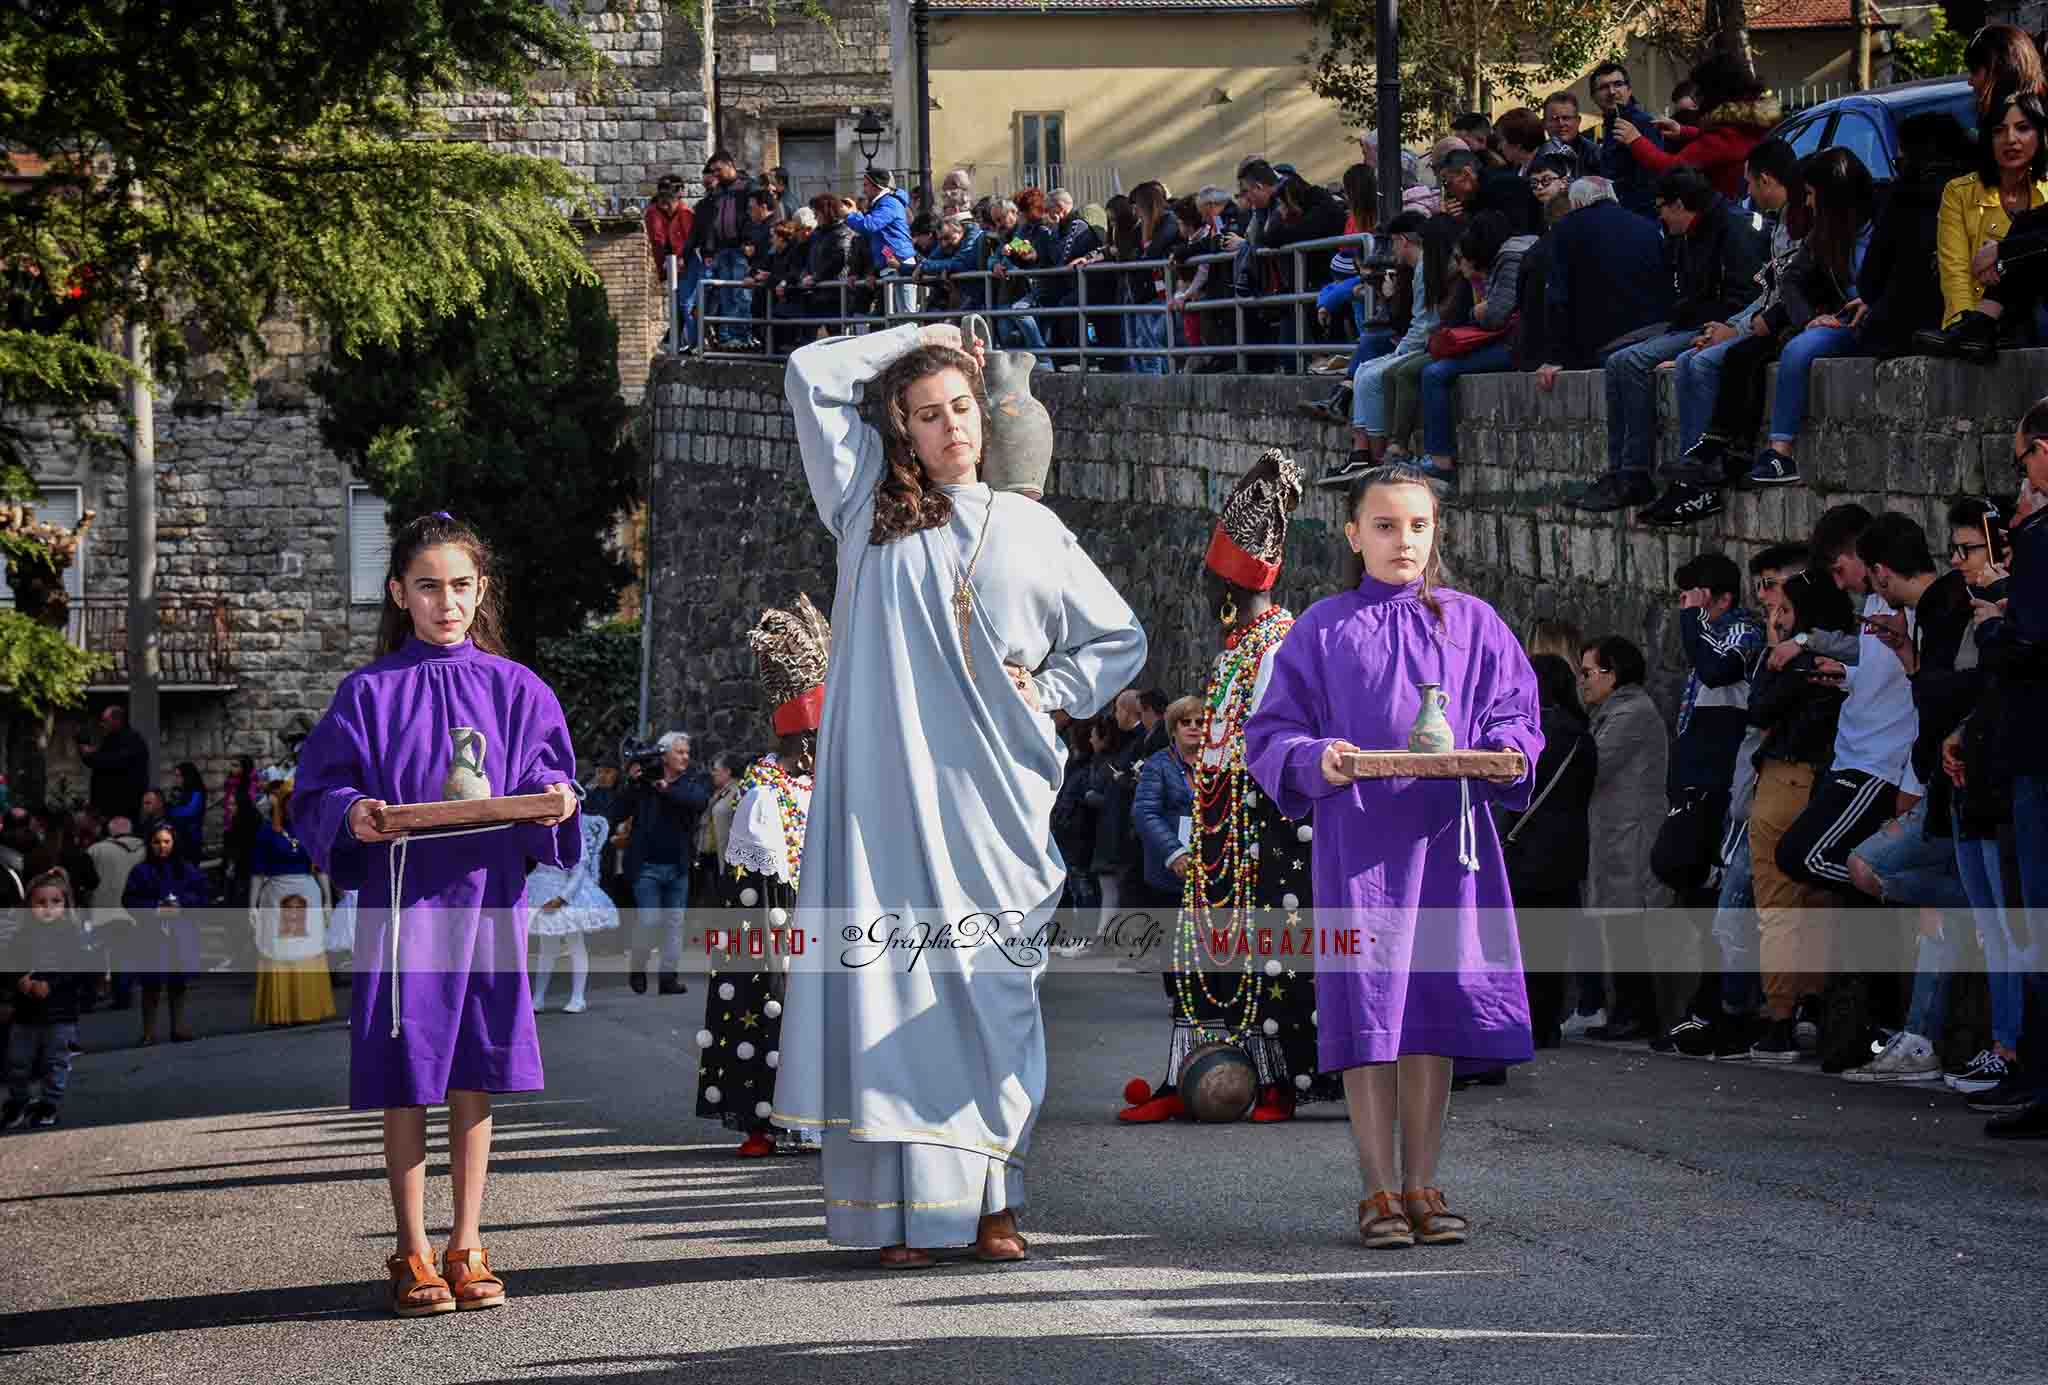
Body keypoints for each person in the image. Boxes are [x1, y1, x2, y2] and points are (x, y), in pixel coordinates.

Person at [772, 321, 1145, 1267]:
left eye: (963, 408)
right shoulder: (862, 505)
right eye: (929, 414)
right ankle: (896, 1214)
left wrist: (1050, 690)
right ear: (899, 427)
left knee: (991, 1002)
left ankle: (993, 1200)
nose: (952, 429)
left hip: (997, 808)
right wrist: (925, 334)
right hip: (889, 812)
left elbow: (1117, 642)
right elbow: (809, 370)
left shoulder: (1033, 527)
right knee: (894, 998)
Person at [291, 510, 581, 1318]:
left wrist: (558, 805)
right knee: (407, 1073)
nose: (446, 601)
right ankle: (413, 1246)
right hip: (405, 907)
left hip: (488, 901)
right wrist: (351, 813)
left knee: (473, 1075)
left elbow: (552, 782)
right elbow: (317, 790)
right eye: (428, 586)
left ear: (480, 589)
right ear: (399, 593)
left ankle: (468, 1240)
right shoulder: (367, 692)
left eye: (460, 585)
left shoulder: (519, 688)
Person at [1246, 463, 1541, 1249]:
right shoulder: (1322, 628)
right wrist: (1319, 759)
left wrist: (1509, 751)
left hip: (1448, 847)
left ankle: (1423, 1180)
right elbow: (1270, 734)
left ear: (1435, 531)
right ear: (1352, 535)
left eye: (1417, 524)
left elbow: (1517, 712)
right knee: (1370, 1013)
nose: (1402, 540)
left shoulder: (1476, 623)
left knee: (1431, 1014)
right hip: (1363, 852)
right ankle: (1376, 1188)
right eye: (1383, 525)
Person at [1648, 146, 1877, 520]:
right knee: (1707, 359)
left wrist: (1868, 303)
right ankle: (1702, 461)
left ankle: (1757, 455)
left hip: (1846, 321)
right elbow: (1791, 282)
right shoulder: (1816, 231)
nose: (1809, 202)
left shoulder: (1861, 224)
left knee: (1737, 358)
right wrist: (1806, 318)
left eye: (1813, 195)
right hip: (1805, 319)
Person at [698, 596, 828, 1156]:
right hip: (779, 925)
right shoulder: (764, 793)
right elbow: (756, 887)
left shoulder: (821, 785)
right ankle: (767, 1114)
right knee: (775, 1005)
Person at [1573, 166, 1769, 513]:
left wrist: (1719, 327)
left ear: (1680, 205)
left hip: (1717, 324)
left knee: (1636, 362)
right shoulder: (1686, 235)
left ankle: (1650, 473)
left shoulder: (1732, 228)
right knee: (1617, 359)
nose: (1660, 215)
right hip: (1687, 322)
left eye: (1662, 207)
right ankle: (1623, 469)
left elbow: (1747, 292)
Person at [1744, 558, 1858, 1062]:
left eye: (1786, 609)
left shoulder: (1795, 659)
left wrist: (1775, 648)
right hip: (1830, 780)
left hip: (1785, 778)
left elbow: (1761, 707)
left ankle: (1781, 1016)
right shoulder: (1850, 656)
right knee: (1818, 901)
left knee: (1776, 903)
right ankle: (1813, 1002)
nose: (1779, 617)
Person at [1498, 653, 1597, 1048]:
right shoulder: (1581, 735)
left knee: (1519, 945)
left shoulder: (1527, 733)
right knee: (1552, 947)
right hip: (1567, 851)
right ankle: (1547, 1023)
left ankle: (1521, 1021)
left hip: (1524, 849)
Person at [1577, 635, 1669, 1041]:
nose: (1584, 682)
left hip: (1630, 833)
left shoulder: (1632, 713)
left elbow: (1594, 762)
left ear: (1612, 675)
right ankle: (1627, 1011)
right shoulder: (1616, 711)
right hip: (1615, 830)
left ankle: (1636, 1013)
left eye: (1589, 673)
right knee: (1619, 924)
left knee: (1627, 923)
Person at [1913, 87, 2048, 362]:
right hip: (1979, 313)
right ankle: (1977, 326)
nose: (2011, 140)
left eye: (2022, 128)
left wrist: (2002, 254)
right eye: (1999, 131)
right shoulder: (1959, 192)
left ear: (2041, 135)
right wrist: (1960, 320)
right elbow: (1955, 270)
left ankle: (1983, 324)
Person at [1417, 212, 1534, 486]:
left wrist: (1476, 308)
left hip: (1516, 346)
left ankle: (1440, 462)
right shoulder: (1515, 252)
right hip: (1515, 341)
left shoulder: (1510, 258)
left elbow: (1494, 315)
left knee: (1434, 373)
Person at [1612, 52, 1779, 200]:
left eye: (1699, 91)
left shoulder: (1723, 138)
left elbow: (1672, 168)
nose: (1696, 98)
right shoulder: (1749, 121)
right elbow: (1721, 144)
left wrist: (1635, 140)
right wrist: (1683, 131)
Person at [2, 871, 95, 1130]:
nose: (48, 908)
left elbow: (78, 970)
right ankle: (19, 1100)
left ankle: (49, 1103)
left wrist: (50, 985)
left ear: (65, 906)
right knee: (17, 1061)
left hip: (59, 1013)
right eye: (40, 903)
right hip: (26, 1012)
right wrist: (18, 982)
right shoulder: (21, 937)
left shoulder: (71, 936)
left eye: (55, 902)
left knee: (55, 1061)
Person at [621, 731, 708, 997]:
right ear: (664, 755)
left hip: (678, 866)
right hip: (646, 865)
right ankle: (638, 965)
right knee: (649, 920)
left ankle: (668, 978)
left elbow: (696, 801)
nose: (685, 757)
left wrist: (665, 788)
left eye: (687, 753)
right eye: (680, 752)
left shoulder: (691, 781)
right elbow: (620, 810)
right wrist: (633, 784)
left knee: (674, 924)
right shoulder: (645, 782)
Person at [249, 771, 337, 1027]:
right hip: (276, 893)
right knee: (279, 949)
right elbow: (257, 871)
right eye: (287, 801)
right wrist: (252, 906)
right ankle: (280, 1011)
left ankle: (309, 1008)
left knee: (307, 948)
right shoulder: (266, 832)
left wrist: (327, 900)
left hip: (307, 893)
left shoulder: (310, 831)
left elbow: (320, 868)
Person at [122, 822, 207, 1046]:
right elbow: (129, 899)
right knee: (151, 983)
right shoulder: (141, 871)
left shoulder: (186, 869)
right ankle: (149, 1031)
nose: (162, 847)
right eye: (157, 842)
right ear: (150, 844)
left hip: (180, 931)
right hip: (151, 932)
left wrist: (182, 904)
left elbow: (201, 895)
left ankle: (178, 1027)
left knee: (178, 982)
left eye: (167, 842)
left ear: (174, 843)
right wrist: (154, 908)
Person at [525, 812, 617, 1016]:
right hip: (540, 889)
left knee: (575, 943)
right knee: (547, 946)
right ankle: (537, 997)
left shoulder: (574, 836)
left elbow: (578, 872)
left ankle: (578, 997)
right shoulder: (542, 833)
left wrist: (563, 898)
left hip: (568, 892)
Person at [1587, 61, 1665, 217]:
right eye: (1603, 87)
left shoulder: (1643, 123)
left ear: (1629, 90)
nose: (1612, 91)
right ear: (1593, 97)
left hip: (1639, 217)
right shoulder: (1609, 124)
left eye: (1618, 84)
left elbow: (1653, 177)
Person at [85, 814, 144, 1011]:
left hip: (101, 911)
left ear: (110, 831)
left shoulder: (96, 850)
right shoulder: (145, 849)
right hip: (132, 913)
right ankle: (123, 996)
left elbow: (87, 880)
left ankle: (90, 997)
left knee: (96, 954)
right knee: (124, 955)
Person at [76, 704, 148, 823]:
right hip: (106, 806)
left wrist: (92, 754)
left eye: (105, 721)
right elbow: (97, 761)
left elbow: (110, 762)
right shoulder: (111, 739)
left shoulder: (132, 740)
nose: (102, 725)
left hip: (122, 806)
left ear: (117, 721)